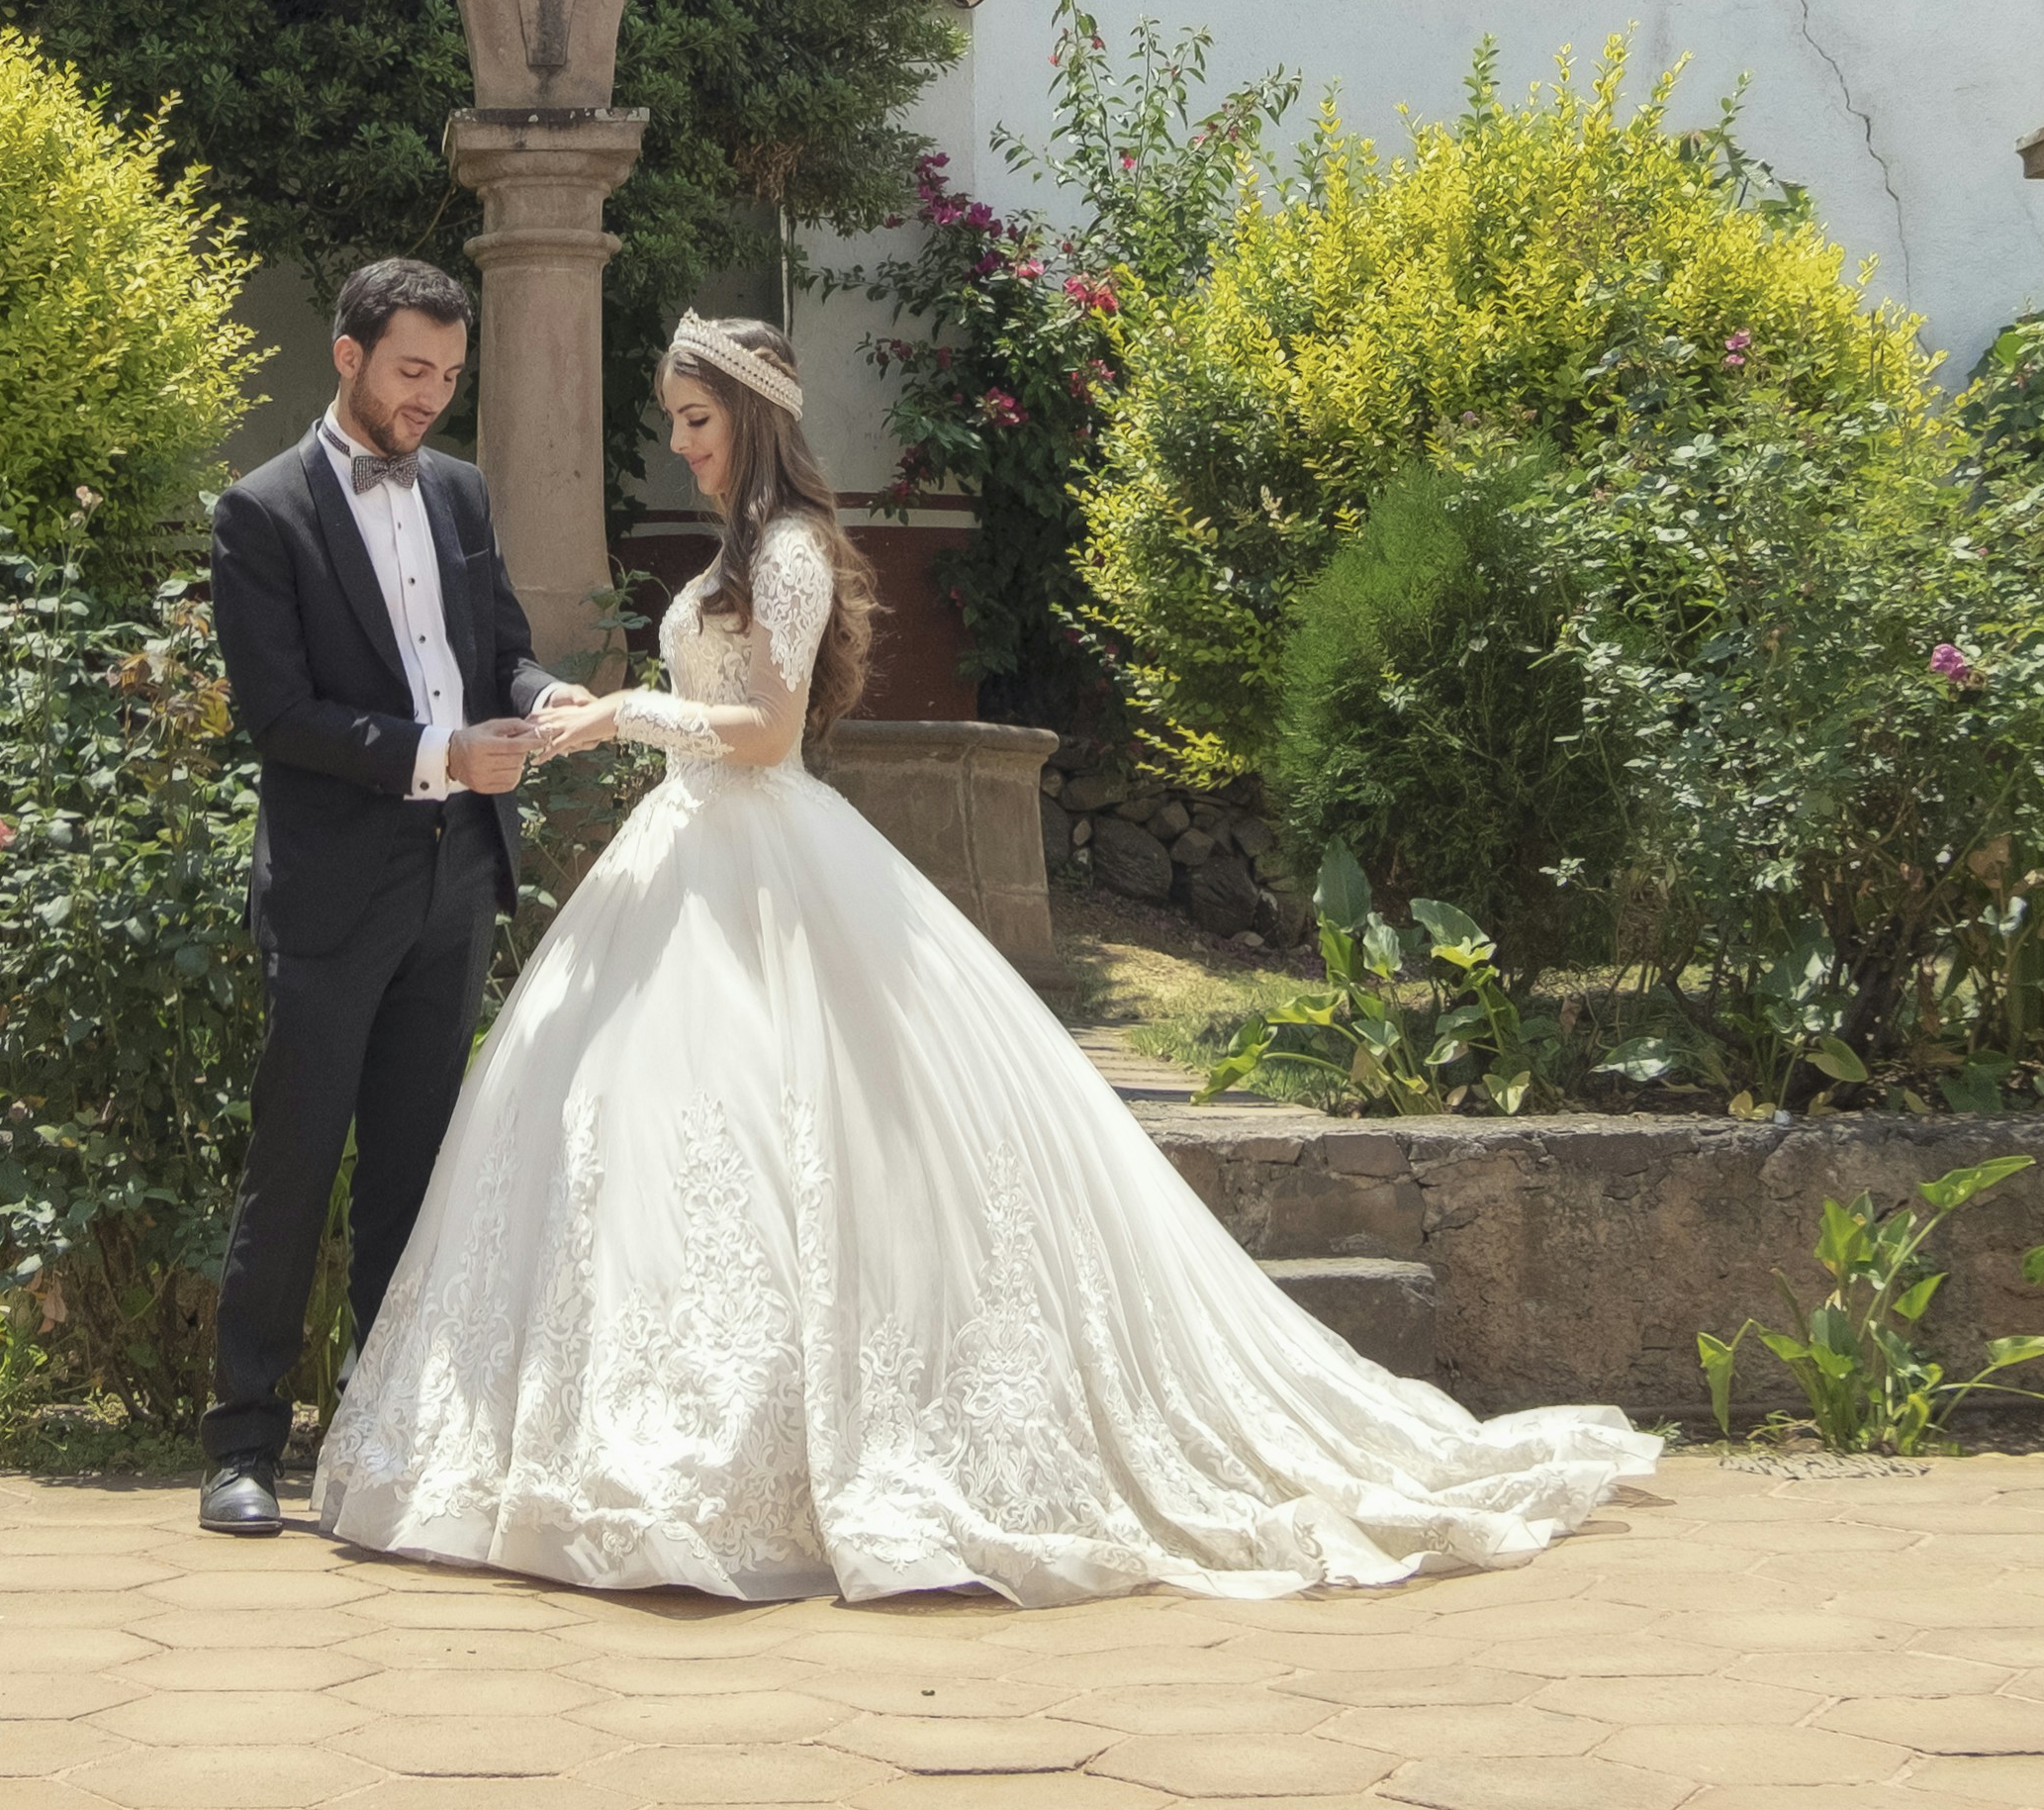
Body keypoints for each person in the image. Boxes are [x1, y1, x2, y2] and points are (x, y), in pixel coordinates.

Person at [312, 314, 1661, 1603]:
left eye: (700, 419)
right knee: (649, 1139)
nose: (684, 444)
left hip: (761, 853)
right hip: (685, 859)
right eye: (676, 420)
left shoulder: (785, 550)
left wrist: (626, 712)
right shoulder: (743, 546)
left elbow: (769, 733)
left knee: (805, 1137)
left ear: (757, 422)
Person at [196, 253, 564, 1535]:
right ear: (346, 355)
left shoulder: (458, 492)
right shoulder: (260, 513)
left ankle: (387, 1436)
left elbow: (499, 647)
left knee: (416, 1171)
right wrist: (434, 755)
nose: (431, 400)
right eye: (413, 371)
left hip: (460, 873)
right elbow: (278, 715)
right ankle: (241, 1447)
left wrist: (537, 699)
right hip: (334, 885)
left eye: (450, 378)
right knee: (292, 1164)